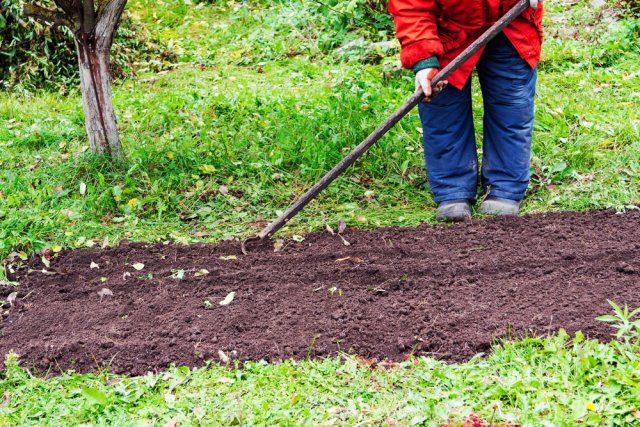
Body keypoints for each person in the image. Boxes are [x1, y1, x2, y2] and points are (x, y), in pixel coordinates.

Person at [388, 0, 544, 221]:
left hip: (512, 22)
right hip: (446, 31)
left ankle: (505, 187)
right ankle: (453, 190)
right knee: (442, 107)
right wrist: (424, 60)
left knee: (511, 107)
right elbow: (410, 6)